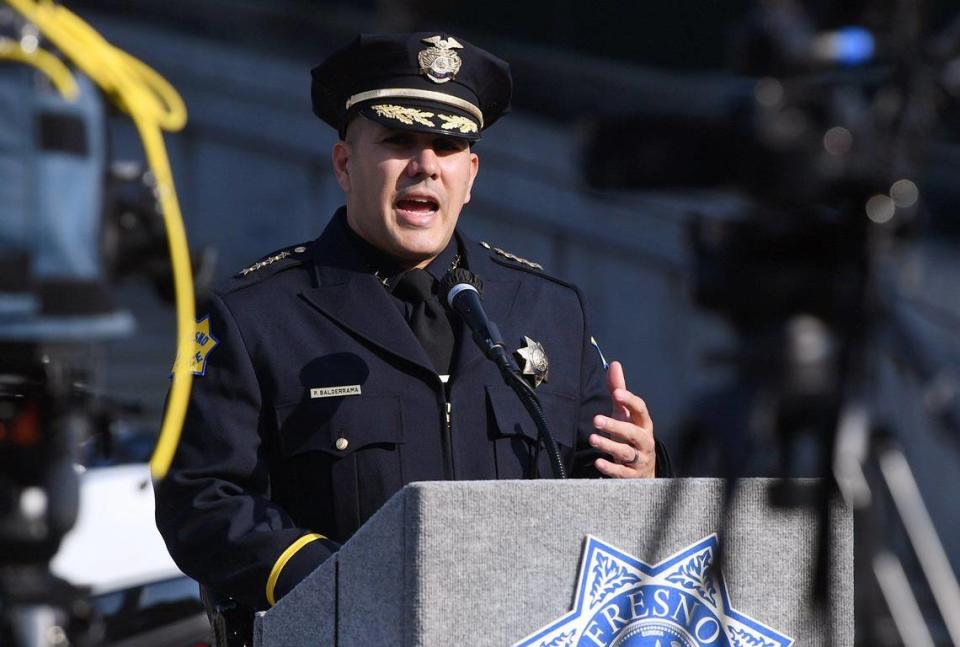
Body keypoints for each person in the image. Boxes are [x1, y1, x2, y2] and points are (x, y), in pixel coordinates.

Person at [154, 32, 671, 615]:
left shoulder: (548, 308)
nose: (425, 166)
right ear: (346, 163)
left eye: (448, 147)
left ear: (470, 174)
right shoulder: (253, 316)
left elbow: (590, 488)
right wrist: (344, 587)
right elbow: (201, 498)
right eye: (399, 140)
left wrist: (639, 475)